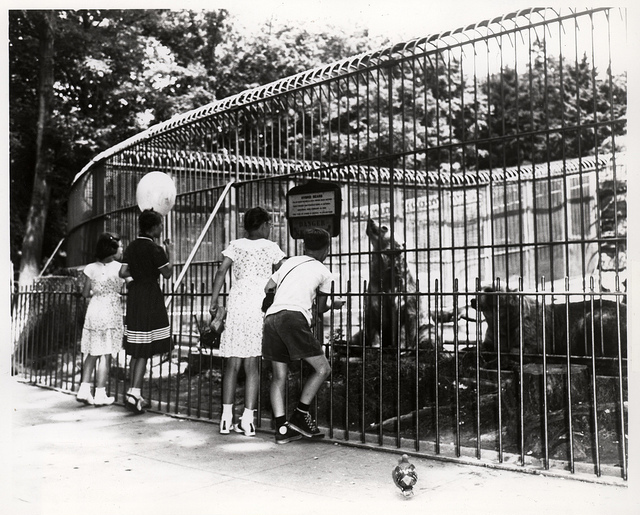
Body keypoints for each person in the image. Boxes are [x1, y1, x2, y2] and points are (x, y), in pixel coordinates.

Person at [262, 227, 345, 444]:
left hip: (271, 318)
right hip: (293, 318)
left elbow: (268, 286)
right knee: (322, 368)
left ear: (304, 246)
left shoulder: (289, 263)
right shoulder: (325, 273)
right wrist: (333, 304)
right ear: (326, 249)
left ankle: (282, 429)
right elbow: (321, 308)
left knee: (279, 375)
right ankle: (300, 413)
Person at [209, 207, 285, 436]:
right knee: (252, 364)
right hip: (258, 303)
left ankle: (225, 418)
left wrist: (213, 301)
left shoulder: (236, 245)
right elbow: (282, 271)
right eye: (269, 225)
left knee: (232, 363)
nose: (270, 229)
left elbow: (222, 271)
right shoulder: (271, 248)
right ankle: (248, 420)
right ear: (263, 225)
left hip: (238, 301)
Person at [119, 209, 174, 413]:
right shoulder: (156, 249)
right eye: (160, 224)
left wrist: (135, 280)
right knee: (144, 349)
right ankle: (135, 392)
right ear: (153, 227)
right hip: (150, 297)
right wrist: (172, 252)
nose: (161, 228)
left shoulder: (132, 246)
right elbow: (167, 273)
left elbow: (123, 271)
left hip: (135, 297)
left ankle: (134, 393)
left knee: (137, 347)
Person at [76, 233, 126, 406]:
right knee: (105, 353)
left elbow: (84, 293)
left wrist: (97, 291)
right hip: (111, 309)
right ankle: (100, 393)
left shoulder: (91, 267)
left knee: (91, 350)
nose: (121, 249)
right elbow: (129, 282)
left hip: (94, 308)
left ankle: (84, 389)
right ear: (112, 249)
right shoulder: (120, 267)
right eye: (120, 246)